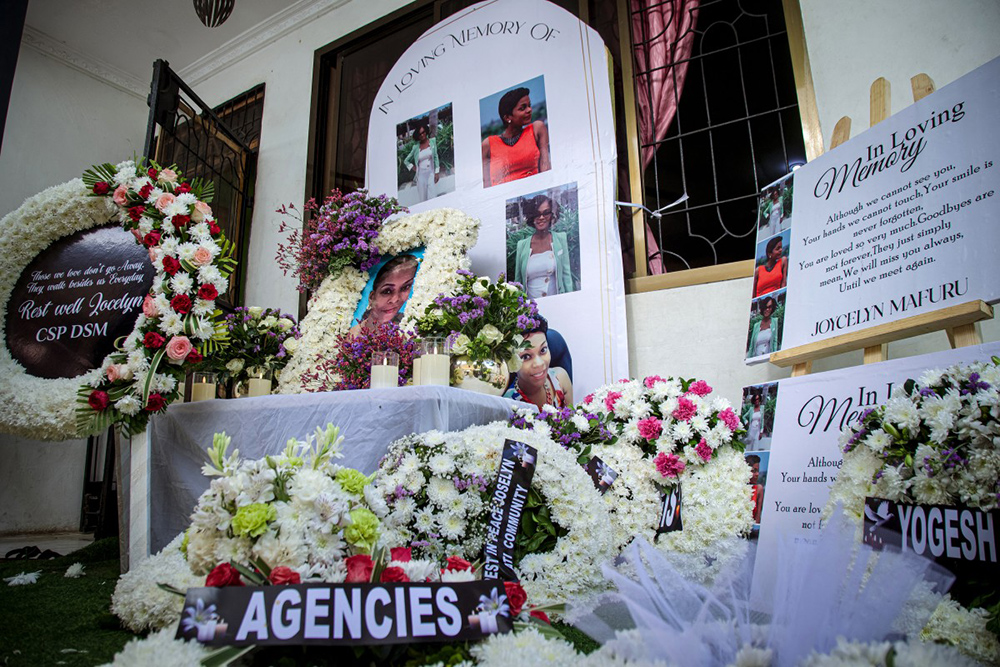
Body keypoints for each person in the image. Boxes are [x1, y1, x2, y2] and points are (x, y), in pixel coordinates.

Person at [482, 86, 551, 187]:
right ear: (507, 117)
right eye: (522, 108)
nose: (529, 110)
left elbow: (546, 168)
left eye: (529, 105)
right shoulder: (488, 145)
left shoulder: (537, 129)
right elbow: (486, 183)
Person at [504, 317, 573, 410]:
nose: (539, 364)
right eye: (526, 356)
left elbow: (572, 421)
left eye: (543, 350)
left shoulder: (560, 379)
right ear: (511, 362)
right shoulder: (509, 405)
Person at [513, 194, 572, 298]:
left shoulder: (560, 239)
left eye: (546, 213)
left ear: (552, 215)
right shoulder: (521, 245)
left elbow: (566, 275)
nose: (541, 217)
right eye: (537, 214)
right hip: (531, 309)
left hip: (557, 303)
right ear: (532, 217)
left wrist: (570, 299)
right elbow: (518, 281)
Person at [349, 254, 418, 337]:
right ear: (372, 297)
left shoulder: (408, 328)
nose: (395, 299)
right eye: (387, 291)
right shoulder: (353, 335)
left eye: (405, 288)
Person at [403, 122, 439, 202]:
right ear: (418, 136)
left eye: (423, 132)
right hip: (421, 176)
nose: (422, 135)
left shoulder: (432, 142)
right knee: (423, 199)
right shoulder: (416, 147)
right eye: (420, 134)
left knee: (433, 196)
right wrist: (413, 167)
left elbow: (436, 157)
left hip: (430, 173)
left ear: (426, 131)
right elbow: (406, 161)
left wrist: (436, 172)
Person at [747, 455, 764, 524]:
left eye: (758, 471)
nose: (757, 474)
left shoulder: (759, 489)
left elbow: (758, 517)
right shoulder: (737, 487)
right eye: (754, 471)